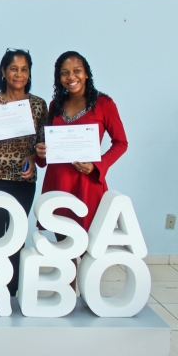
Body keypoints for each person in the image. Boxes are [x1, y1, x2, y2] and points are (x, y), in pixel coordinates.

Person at [0, 49, 48, 296]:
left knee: (16, 237)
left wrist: (33, 158)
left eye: (24, 69)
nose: (19, 74)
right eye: (13, 69)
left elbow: (42, 146)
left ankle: (11, 293)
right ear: (3, 72)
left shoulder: (38, 105)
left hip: (23, 180)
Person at [35, 51, 127, 233]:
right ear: (59, 77)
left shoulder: (104, 104)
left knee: (89, 240)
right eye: (65, 73)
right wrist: (41, 151)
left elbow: (121, 142)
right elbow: (46, 145)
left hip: (86, 181)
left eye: (76, 71)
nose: (71, 77)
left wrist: (97, 166)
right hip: (58, 180)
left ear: (86, 74)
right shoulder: (55, 105)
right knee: (62, 240)